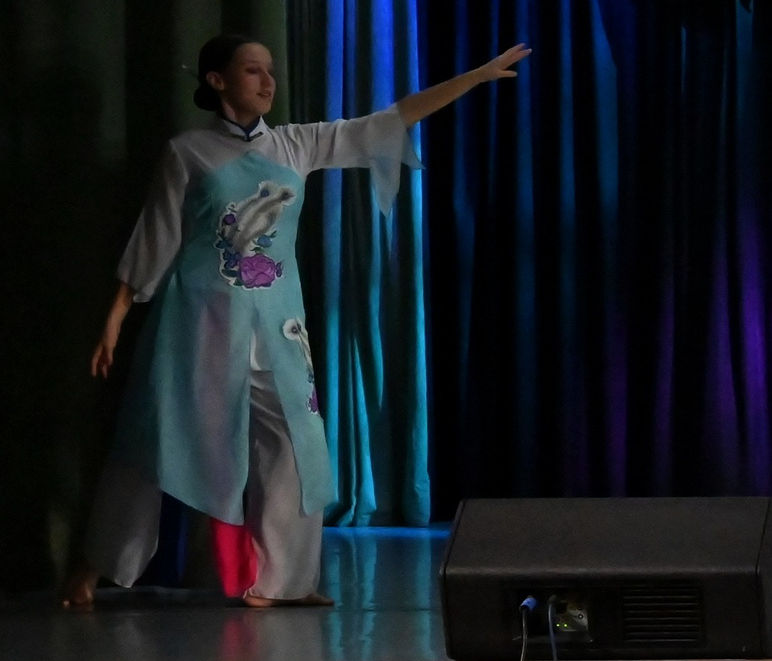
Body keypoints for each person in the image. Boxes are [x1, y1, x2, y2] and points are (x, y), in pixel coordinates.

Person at [62, 35, 530, 609]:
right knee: (157, 440)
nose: (266, 82)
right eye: (251, 71)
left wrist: (474, 77)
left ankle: (287, 581)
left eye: (270, 72)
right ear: (217, 81)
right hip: (202, 319)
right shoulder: (188, 152)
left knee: (296, 443)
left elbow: (388, 119)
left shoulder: (295, 146)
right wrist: (114, 319)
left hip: (279, 323)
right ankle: (92, 566)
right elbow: (156, 239)